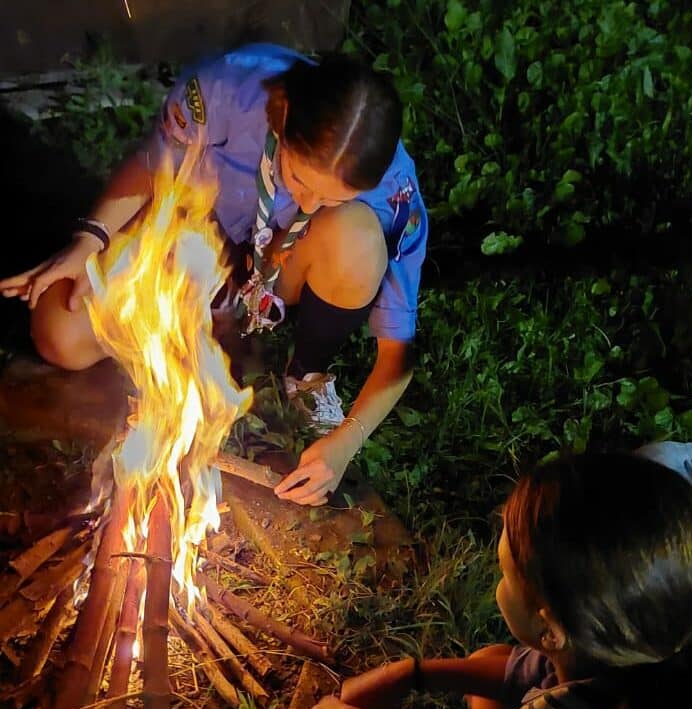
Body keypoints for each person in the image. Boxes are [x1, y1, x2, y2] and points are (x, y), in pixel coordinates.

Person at [0, 43, 428, 507]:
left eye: (330, 198)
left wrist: (346, 442)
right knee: (59, 331)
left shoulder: (394, 191)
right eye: (300, 179)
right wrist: (91, 239)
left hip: (284, 269)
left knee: (357, 237)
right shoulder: (228, 88)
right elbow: (154, 165)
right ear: (283, 119)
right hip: (195, 245)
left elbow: (397, 354)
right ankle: (188, 328)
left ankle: (305, 372)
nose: (308, 203)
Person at [311, 453, 692, 709]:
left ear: (550, 629)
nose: (499, 579)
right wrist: (409, 673)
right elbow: (522, 668)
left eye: (506, 574)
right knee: (490, 658)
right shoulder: (639, 643)